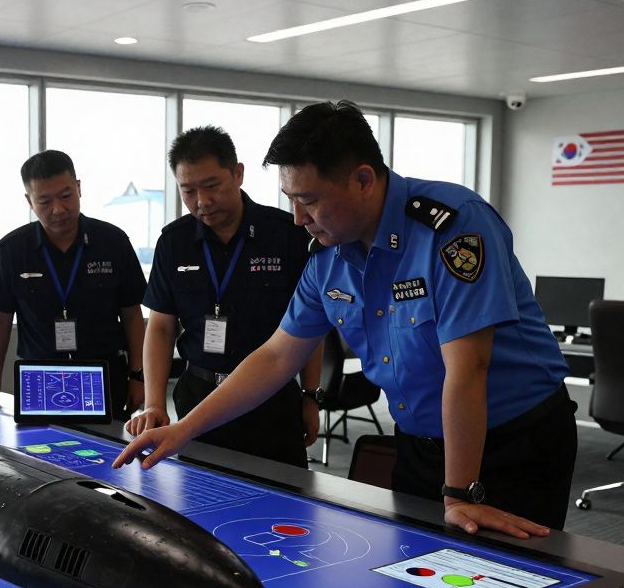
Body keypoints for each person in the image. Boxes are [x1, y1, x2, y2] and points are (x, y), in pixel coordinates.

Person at [115, 102, 576, 540]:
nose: (297, 219)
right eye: (290, 200)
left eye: (309, 200)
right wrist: (183, 428)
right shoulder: (328, 257)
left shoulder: (453, 227)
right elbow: (277, 357)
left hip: (514, 444)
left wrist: (458, 493)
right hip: (419, 442)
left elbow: (468, 368)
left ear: (362, 180)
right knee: (419, 587)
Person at [124, 126, 321, 467]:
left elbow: (310, 326)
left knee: (281, 504)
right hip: (199, 395)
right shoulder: (174, 242)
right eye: (188, 191)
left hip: (271, 402)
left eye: (212, 186)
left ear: (238, 173)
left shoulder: (286, 234)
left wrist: (310, 395)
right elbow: (160, 328)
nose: (202, 202)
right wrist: (154, 403)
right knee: (199, 501)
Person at [0, 150, 147, 418]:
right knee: (37, 454)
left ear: (79, 188)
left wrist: (137, 375)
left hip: (105, 375)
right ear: (29, 201)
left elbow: (131, 314)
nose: (58, 209)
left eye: (66, 196)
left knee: (108, 453)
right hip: (39, 378)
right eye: (44, 201)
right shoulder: (12, 249)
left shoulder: (113, 242)